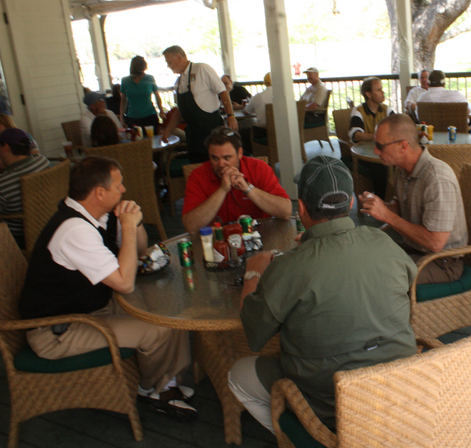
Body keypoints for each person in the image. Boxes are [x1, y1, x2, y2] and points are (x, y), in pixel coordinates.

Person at [228, 156, 417, 433]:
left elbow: (254, 334)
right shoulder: (382, 241)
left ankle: (304, 435)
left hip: (332, 405)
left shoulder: (289, 267)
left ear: (302, 208)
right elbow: (407, 279)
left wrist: (253, 274)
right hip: (403, 386)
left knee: (237, 375)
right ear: (350, 204)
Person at [18, 156, 197, 420]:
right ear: (100, 193)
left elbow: (139, 252)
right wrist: (128, 225)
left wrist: (134, 224)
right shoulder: (74, 230)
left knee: (168, 311)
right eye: (118, 185)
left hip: (91, 307)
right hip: (58, 331)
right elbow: (125, 283)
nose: (124, 189)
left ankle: (166, 381)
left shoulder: (96, 216)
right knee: (160, 328)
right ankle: (156, 390)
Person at [359, 114, 468, 285]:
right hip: (415, 249)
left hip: (442, 261)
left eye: (380, 146)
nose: (375, 151)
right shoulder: (402, 169)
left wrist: (387, 215)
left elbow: (435, 243)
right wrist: (380, 206)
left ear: (403, 146)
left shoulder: (437, 178)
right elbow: (402, 207)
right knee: (361, 259)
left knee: (373, 277)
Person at [182, 127, 291, 233]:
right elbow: (191, 227)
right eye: (215, 158)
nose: (221, 164)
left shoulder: (259, 168)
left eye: (227, 158)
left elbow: (286, 212)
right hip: (218, 239)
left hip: (260, 234)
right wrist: (222, 190)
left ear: (239, 153)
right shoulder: (198, 176)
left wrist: (248, 189)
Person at [160, 45, 237, 163]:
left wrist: (230, 116)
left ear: (179, 57)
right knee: (197, 167)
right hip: (193, 135)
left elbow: (223, 92)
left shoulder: (201, 69)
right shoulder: (179, 82)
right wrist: (167, 131)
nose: (168, 66)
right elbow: (179, 111)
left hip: (211, 129)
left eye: (169, 62)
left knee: (216, 165)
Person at [0, 128, 50, 247]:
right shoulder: (43, 161)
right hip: (49, 227)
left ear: (6, 147)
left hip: (17, 239)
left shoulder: (4, 183)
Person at [349, 76, 395, 199]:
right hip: (364, 155)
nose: (382, 92)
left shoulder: (385, 109)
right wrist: (379, 136)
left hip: (384, 152)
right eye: (378, 90)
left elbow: (397, 126)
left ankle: (395, 197)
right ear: (368, 94)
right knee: (381, 167)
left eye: (382, 89)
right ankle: (380, 200)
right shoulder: (359, 111)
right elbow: (356, 135)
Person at [120, 56, 165, 135]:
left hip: (150, 115)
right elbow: (123, 100)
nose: (142, 74)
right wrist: (121, 117)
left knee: (153, 139)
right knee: (136, 140)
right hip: (132, 117)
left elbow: (157, 96)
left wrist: (161, 111)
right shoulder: (125, 81)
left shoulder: (150, 78)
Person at [241, 73, 273, 154]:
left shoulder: (258, 96)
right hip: (286, 131)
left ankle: (255, 155)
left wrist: (242, 107)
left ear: (265, 82)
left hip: (265, 133)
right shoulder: (285, 95)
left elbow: (246, 112)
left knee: (244, 131)